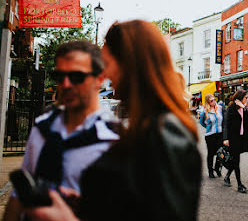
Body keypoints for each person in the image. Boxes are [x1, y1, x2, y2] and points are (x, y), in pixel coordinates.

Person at [26, 20, 201, 221]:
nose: (105, 74)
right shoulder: (148, 127)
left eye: (107, 64)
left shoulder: (166, 132)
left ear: (131, 64)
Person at [3, 40, 120, 221]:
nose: (65, 84)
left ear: (99, 79)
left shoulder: (114, 141)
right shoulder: (42, 128)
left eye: (76, 77)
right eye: (60, 76)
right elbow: (20, 194)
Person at [222, 90, 248, 193]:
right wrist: (225, 138)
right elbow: (226, 124)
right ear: (240, 98)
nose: (247, 100)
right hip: (233, 138)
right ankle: (240, 185)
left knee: (235, 161)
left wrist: (243, 107)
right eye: (245, 98)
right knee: (237, 161)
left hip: (242, 138)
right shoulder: (231, 108)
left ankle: (227, 176)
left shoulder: (243, 109)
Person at [199, 94, 224, 178]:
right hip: (210, 135)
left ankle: (217, 168)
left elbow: (223, 119)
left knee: (220, 153)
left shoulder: (220, 108)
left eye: (214, 100)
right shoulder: (204, 112)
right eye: (211, 101)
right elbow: (201, 122)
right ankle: (210, 171)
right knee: (211, 153)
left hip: (220, 134)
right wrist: (208, 127)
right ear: (208, 102)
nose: (214, 102)